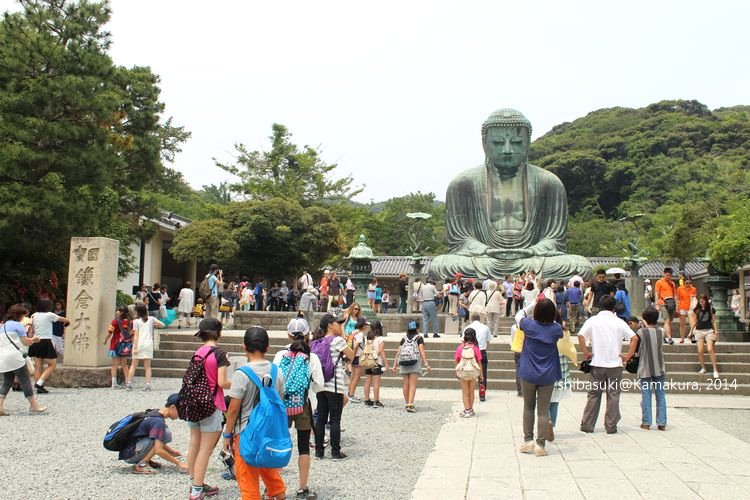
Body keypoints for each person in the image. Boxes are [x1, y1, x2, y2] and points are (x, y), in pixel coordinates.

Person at [429, 109, 592, 279]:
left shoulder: (549, 183)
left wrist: (531, 251)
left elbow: (555, 239)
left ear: (527, 143)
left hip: (532, 258)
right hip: (484, 258)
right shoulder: (463, 183)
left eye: (516, 142)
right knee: (441, 265)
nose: (507, 150)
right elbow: (460, 240)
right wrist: (486, 250)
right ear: (484, 144)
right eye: (498, 143)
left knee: (579, 266)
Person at [223, 327, 286, 499]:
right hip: (269, 432)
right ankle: (279, 495)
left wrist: (227, 434)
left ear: (244, 347)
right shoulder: (277, 371)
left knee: (247, 476)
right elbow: (279, 401)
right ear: (268, 347)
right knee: (268, 468)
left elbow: (234, 408)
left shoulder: (241, 374)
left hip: (245, 433)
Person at [273, 317, 324, 499]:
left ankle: (273, 487)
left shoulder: (280, 356)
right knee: (304, 446)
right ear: (307, 335)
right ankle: (302, 488)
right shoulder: (312, 357)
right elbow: (319, 385)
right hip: (303, 405)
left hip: (281, 406)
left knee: (278, 443)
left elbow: (274, 381)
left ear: (288, 335)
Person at [578, 295, 638, 434]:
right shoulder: (619, 322)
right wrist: (628, 356)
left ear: (600, 306)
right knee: (613, 395)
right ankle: (611, 425)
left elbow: (581, 336)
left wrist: (586, 352)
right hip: (615, 365)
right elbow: (634, 338)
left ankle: (587, 424)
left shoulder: (593, 320)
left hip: (598, 363)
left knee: (594, 395)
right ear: (614, 307)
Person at [186, 318, 232, 500]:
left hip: (193, 403)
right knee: (205, 449)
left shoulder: (198, 352)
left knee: (194, 444)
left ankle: (194, 482)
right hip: (211, 404)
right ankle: (197, 490)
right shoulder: (219, 354)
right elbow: (222, 382)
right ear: (218, 332)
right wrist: (235, 383)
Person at [517, 299, 563, 456]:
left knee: (528, 407)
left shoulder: (529, 325)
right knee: (543, 411)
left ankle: (528, 440)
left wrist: (531, 305)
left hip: (528, 371)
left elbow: (518, 315)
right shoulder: (556, 329)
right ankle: (540, 445)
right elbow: (558, 322)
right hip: (548, 374)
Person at [313, 313, 355, 460]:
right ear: (330, 325)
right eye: (338, 323)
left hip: (321, 385)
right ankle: (336, 452)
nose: (340, 325)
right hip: (334, 385)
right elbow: (351, 356)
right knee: (335, 419)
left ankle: (319, 451)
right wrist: (344, 336)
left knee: (321, 419)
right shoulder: (337, 340)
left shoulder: (319, 341)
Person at [117, 393, 188, 475]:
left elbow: (156, 440)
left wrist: (172, 451)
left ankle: (145, 459)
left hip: (129, 450)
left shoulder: (155, 413)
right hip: (131, 454)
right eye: (181, 411)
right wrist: (178, 463)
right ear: (173, 407)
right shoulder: (158, 422)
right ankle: (142, 464)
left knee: (162, 434)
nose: (181, 416)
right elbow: (158, 450)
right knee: (165, 433)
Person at [0, 304, 47, 415]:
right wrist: (34, 339)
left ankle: (0, 406)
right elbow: (26, 342)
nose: (24, 317)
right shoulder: (18, 325)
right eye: (24, 314)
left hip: (3, 357)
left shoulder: (3, 326)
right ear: (19, 315)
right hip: (15, 357)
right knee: (25, 379)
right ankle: (34, 405)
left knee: (7, 382)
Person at [29, 298, 69, 394]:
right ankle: (39, 383)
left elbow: (31, 330)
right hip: (45, 341)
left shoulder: (34, 315)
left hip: (35, 341)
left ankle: (39, 386)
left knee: (38, 366)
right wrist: (68, 322)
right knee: (52, 364)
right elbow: (63, 319)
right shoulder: (49, 315)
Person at [636, 307, 667, 431]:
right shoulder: (662, 331)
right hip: (659, 366)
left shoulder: (641, 332)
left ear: (644, 318)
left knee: (646, 394)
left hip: (645, 366)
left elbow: (638, 348)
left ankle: (646, 422)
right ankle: (662, 422)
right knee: (660, 395)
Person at [392, 321, 431, 413]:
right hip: (414, 362)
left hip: (403, 361)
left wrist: (395, 365)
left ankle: (407, 404)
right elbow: (422, 351)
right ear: (417, 329)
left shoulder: (403, 339)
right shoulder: (419, 338)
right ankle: (410, 404)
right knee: (412, 384)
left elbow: (398, 352)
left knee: (405, 384)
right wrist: (426, 363)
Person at [126, 304, 165, 391]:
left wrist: (135, 347)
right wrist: (155, 325)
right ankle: (148, 385)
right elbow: (162, 324)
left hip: (139, 344)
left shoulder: (136, 321)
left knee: (133, 365)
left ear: (138, 312)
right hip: (148, 344)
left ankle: (129, 384)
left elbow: (136, 335)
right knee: (147, 366)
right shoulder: (151, 319)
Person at [549, 324, 576, 442]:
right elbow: (568, 348)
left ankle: (546, 422)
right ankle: (551, 425)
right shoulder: (564, 331)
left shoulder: (543, 329)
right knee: (555, 403)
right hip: (561, 371)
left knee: (543, 402)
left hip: (546, 370)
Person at [463, 312, 491, 401]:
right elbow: (489, 340)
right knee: (483, 374)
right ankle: (482, 394)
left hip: (469, 352)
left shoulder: (467, 327)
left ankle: (468, 393)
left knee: (468, 372)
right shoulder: (485, 327)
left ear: (471, 319)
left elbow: (463, 341)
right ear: (480, 319)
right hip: (481, 351)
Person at [455, 328, 482, 417]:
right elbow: (479, 362)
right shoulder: (476, 348)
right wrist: (481, 375)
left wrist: (456, 371)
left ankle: (466, 410)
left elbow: (457, 360)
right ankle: (470, 409)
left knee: (465, 392)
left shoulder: (460, 348)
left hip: (463, 372)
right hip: (473, 372)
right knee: (471, 391)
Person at [693, 295, 720, 378]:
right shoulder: (697, 310)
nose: (702, 303)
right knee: (700, 350)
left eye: (703, 301)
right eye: (700, 301)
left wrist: (716, 330)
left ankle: (715, 369)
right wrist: (691, 332)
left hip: (709, 331)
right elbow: (695, 322)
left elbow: (714, 321)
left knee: (710, 348)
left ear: (706, 301)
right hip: (699, 331)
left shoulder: (711, 309)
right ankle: (703, 368)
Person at [103, 306, 130, 389]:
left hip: (115, 344)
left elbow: (110, 332)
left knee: (114, 365)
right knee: (124, 365)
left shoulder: (114, 321)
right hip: (125, 344)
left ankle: (114, 383)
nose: (116, 311)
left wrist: (105, 340)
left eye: (118, 310)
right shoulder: (127, 322)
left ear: (121, 312)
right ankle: (128, 382)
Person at [362, 320, 387, 408]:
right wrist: (386, 363)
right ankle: (376, 400)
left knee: (367, 381)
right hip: (377, 362)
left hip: (368, 361)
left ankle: (367, 399)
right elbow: (381, 351)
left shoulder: (368, 337)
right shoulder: (380, 339)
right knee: (376, 382)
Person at [347, 317, 370, 404]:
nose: (366, 327)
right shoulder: (360, 334)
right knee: (356, 377)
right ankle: (352, 395)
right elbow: (356, 346)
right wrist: (353, 354)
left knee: (352, 376)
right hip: (357, 356)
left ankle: (350, 393)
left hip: (353, 356)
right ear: (362, 325)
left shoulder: (353, 333)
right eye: (365, 325)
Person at [654, 267, 677, 344]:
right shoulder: (659, 282)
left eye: (670, 275)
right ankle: (670, 338)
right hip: (663, 303)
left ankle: (663, 336)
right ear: (664, 274)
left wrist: (676, 305)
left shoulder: (672, 283)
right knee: (667, 320)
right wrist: (657, 304)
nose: (668, 277)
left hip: (671, 303)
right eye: (667, 275)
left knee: (669, 321)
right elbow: (657, 293)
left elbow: (674, 295)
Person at [676, 276, 697, 343]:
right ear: (684, 283)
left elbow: (694, 298)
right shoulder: (680, 289)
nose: (688, 284)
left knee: (692, 323)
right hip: (682, 307)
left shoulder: (693, 289)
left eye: (689, 283)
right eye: (687, 283)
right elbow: (678, 299)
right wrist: (677, 307)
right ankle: (682, 338)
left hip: (691, 307)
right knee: (682, 324)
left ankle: (693, 336)